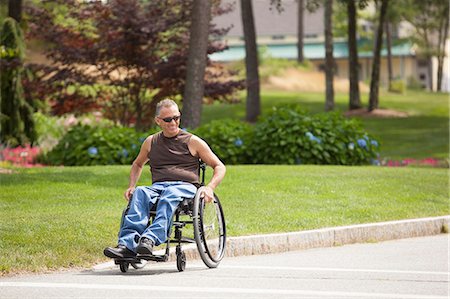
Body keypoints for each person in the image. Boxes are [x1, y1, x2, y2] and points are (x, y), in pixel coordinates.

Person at [104, 99, 226, 259]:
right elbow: (137, 164)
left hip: (185, 186)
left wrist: (210, 187)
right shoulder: (151, 142)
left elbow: (219, 166)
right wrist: (131, 185)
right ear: (158, 121)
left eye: (176, 117)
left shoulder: (192, 141)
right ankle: (127, 244)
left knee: (170, 194)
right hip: (159, 187)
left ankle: (150, 239)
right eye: (168, 119)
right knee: (140, 192)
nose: (173, 122)